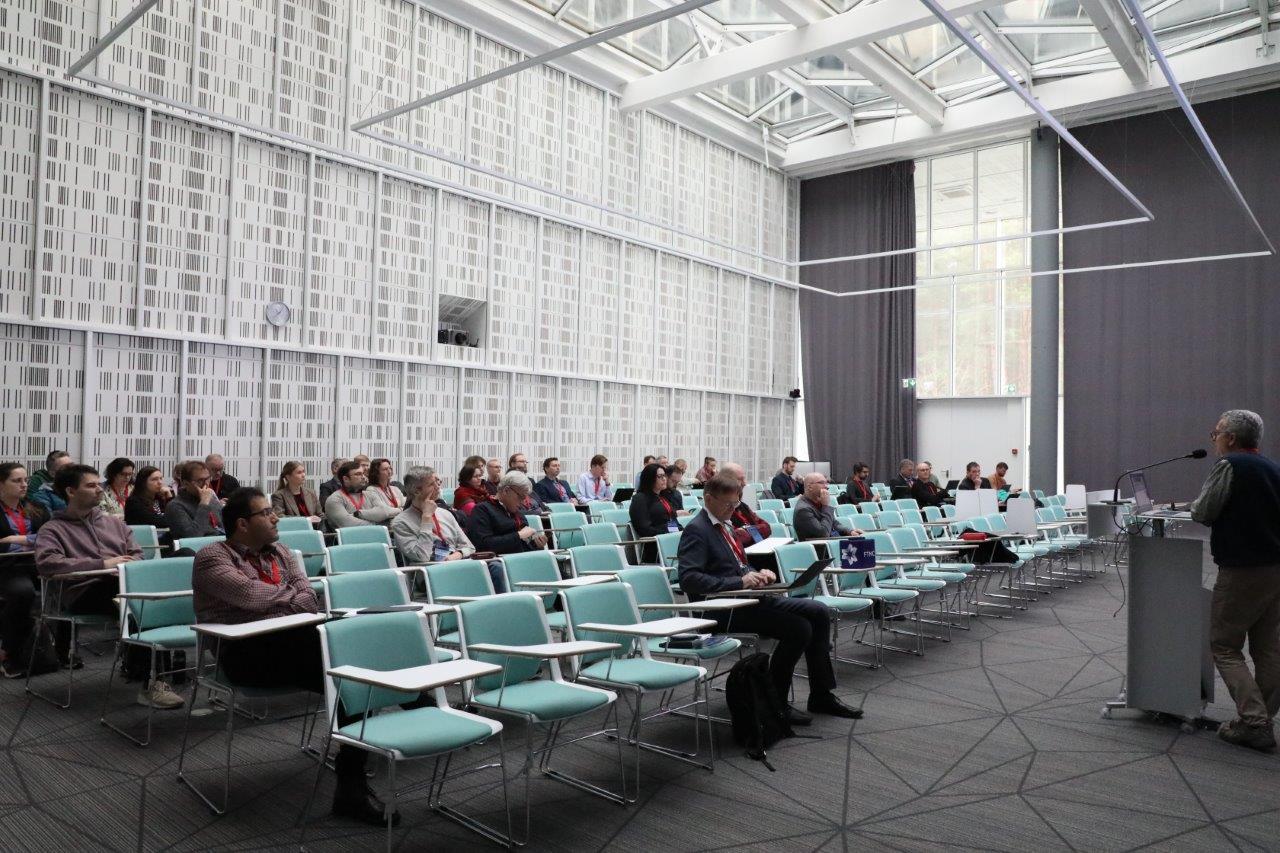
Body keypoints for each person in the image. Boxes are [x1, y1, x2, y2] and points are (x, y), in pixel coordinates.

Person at [192, 487, 399, 825]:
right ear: (242, 524)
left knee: (351, 674)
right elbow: (250, 595)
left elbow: (309, 598)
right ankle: (414, 705)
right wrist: (290, 597)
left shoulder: (282, 552)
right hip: (244, 654)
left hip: (296, 643)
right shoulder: (212, 556)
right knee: (350, 666)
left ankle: (351, 784)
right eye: (266, 513)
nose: (275, 518)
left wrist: (282, 598)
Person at [677, 473, 860, 722]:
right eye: (728, 504)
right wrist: (740, 582)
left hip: (747, 598)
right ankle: (775, 703)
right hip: (723, 608)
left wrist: (758, 573)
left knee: (818, 611)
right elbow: (689, 579)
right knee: (798, 628)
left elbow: (738, 566)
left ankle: (821, 694)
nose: (733, 510)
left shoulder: (725, 525)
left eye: (735, 504)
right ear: (708, 499)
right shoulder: (697, 530)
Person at [36, 464, 182, 708]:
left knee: (145, 597)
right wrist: (103, 564)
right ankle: (151, 680)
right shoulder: (53, 529)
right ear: (71, 491)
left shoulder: (114, 524)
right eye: (91, 485)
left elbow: (137, 553)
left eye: (98, 484)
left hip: (121, 587)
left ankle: (152, 675)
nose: (99, 490)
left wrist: (127, 565)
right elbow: (48, 564)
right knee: (135, 599)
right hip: (83, 593)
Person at [1190, 409, 1280, 751]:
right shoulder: (1272, 467)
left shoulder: (1229, 465)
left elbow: (1203, 512)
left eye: (1216, 434)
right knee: (1268, 647)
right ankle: (1259, 718)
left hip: (1243, 569)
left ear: (1230, 438)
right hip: (1275, 567)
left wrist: (1194, 505)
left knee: (1224, 645)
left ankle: (1254, 722)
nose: (1214, 440)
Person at [0, 462, 46, 677]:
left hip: (36, 563)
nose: (24, 484)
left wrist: (18, 539)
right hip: (6, 567)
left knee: (65, 585)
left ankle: (63, 652)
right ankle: (9, 653)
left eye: (25, 480)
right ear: (1, 484)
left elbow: (51, 535)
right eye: (17, 480)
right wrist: (30, 542)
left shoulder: (35, 507)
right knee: (22, 592)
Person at [469, 472, 548, 591]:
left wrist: (536, 544)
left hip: (518, 559)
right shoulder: (482, 510)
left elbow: (522, 546)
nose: (523, 502)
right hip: (498, 561)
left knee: (550, 562)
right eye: (520, 497)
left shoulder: (517, 513)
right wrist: (518, 535)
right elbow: (484, 545)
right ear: (506, 490)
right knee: (499, 569)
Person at [390, 467, 476, 565]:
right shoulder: (400, 522)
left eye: (436, 482)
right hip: (429, 570)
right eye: (431, 484)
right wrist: (426, 518)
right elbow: (422, 556)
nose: (437, 486)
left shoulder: (445, 514)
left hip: (457, 564)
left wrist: (458, 554)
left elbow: (470, 547)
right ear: (417, 491)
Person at [165, 460, 225, 541]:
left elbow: (224, 528)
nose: (206, 484)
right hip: (199, 546)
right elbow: (192, 537)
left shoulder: (212, 500)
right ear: (185, 483)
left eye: (207, 479)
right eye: (200, 480)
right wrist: (204, 504)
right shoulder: (175, 506)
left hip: (220, 543)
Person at [325, 461, 396, 528]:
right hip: (351, 537)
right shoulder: (335, 499)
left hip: (376, 535)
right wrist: (380, 524)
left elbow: (384, 512)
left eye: (363, 473)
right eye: (358, 474)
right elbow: (349, 524)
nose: (363, 477)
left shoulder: (370, 494)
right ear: (346, 479)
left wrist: (358, 514)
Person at [793, 473, 861, 541]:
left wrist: (850, 531)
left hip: (831, 541)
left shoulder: (818, 502)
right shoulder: (803, 510)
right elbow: (823, 534)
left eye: (826, 483)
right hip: (820, 546)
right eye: (822, 483)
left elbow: (834, 523)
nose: (826, 487)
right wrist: (825, 506)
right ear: (810, 487)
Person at [721, 463, 772, 547]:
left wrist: (747, 530)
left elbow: (767, 527)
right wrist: (753, 530)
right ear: (726, 481)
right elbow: (736, 537)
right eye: (740, 479)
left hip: (757, 550)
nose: (745, 483)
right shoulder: (720, 509)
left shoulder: (742, 506)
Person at [629, 464, 680, 548]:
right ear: (650, 479)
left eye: (664, 475)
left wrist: (678, 530)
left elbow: (671, 520)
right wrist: (669, 531)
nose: (664, 479)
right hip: (655, 545)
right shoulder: (640, 499)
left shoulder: (663, 497)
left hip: (668, 539)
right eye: (660, 476)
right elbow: (645, 530)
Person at [124, 465, 175, 538]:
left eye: (161, 478)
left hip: (159, 537)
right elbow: (160, 522)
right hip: (142, 540)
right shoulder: (134, 502)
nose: (160, 482)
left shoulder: (159, 498)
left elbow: (175, 516)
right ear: (143, 483)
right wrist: (169, 499)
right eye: (154, 479)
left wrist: (169, 497)